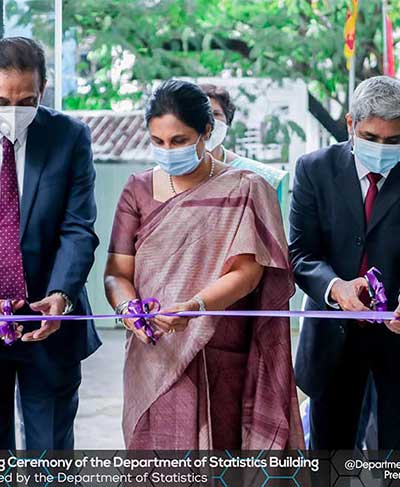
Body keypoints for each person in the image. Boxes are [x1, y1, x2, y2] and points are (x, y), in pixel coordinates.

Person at [104, 79, 303, 450]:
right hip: (153, 351)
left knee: (219, 457)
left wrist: (196, 307)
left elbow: (248, 272)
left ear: (206, 132)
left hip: (219, 348)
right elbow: (117, 273)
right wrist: (127, 308)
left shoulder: (245, 187)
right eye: (157, 141)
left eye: (179, 141)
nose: (167, 151)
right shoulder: (138, 189)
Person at [0, 37, 101, 450]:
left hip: (49, 323)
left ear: (43, 90)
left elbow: (78, 228)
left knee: (51, 456)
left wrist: (61, 295)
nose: (12, 112)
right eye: (2, 101)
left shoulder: (68, 137)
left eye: (25, 100)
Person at [290, 75, 400, 449]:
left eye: (393, 141)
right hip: (332, 341)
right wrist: (336, 288)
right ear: (351, 125)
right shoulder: (314, 170)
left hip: (397, 340)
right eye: (370, 138)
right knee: (328, 459)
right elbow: (302, 254)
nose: (381, 149)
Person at [199, 83, 290, 221]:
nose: (209, 122)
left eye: (216, 114)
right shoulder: (167, 176)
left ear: (228, 122)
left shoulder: (262, 177)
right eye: (200, 114)